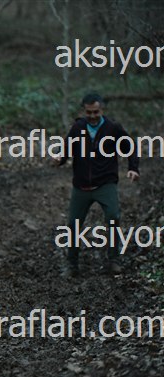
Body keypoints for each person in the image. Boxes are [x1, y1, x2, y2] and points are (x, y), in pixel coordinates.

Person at [55, 93, 139, 278]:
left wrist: (133, 168)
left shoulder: (112, 128)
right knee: (73, 224)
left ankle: (113, 260)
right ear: (83, 110)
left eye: (96, 112)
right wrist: (59, 159)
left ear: (102, 110)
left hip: (105, 184)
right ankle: (72, 264)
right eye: (89, 112)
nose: (92, 116)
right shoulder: (78, 128)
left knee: (113, 217)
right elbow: (66, 150)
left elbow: (130, 147)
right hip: (81, 186)